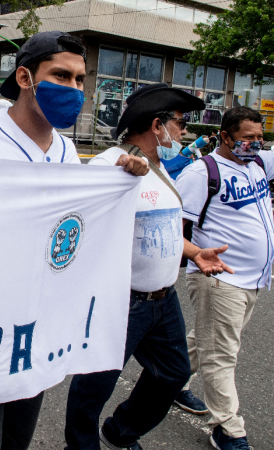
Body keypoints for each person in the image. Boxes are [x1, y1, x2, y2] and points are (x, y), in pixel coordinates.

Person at [0, 31, 149, 450]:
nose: (73, 88)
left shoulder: (67, 151)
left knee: (15, 442)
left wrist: (120, 177)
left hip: (31, 337)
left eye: (79, 80)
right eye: (61, 75)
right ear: (24, 77)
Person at [65, 83, 231, 450]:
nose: (183, 131)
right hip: (123, 301)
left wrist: (192, 252)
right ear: (157, 125)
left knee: (172, 374)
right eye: (180, 123)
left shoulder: (160, 168)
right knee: (95, 383)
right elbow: (81, 220)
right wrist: (118, 178)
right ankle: (80, 445)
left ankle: (120, 432)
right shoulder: (112, 163)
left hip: (163, 301)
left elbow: (162, 224)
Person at [175, 107, 274, 450]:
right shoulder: (201, 173)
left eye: (261, 138)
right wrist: (193, 256)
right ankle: (229, 429)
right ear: (227, 137)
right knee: (221, 353)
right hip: (218, 277)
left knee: (208, 338)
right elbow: (174, 228)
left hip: (254, 279)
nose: (256, 144)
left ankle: (170, 380)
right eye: (248, 138)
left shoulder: (259, 165)